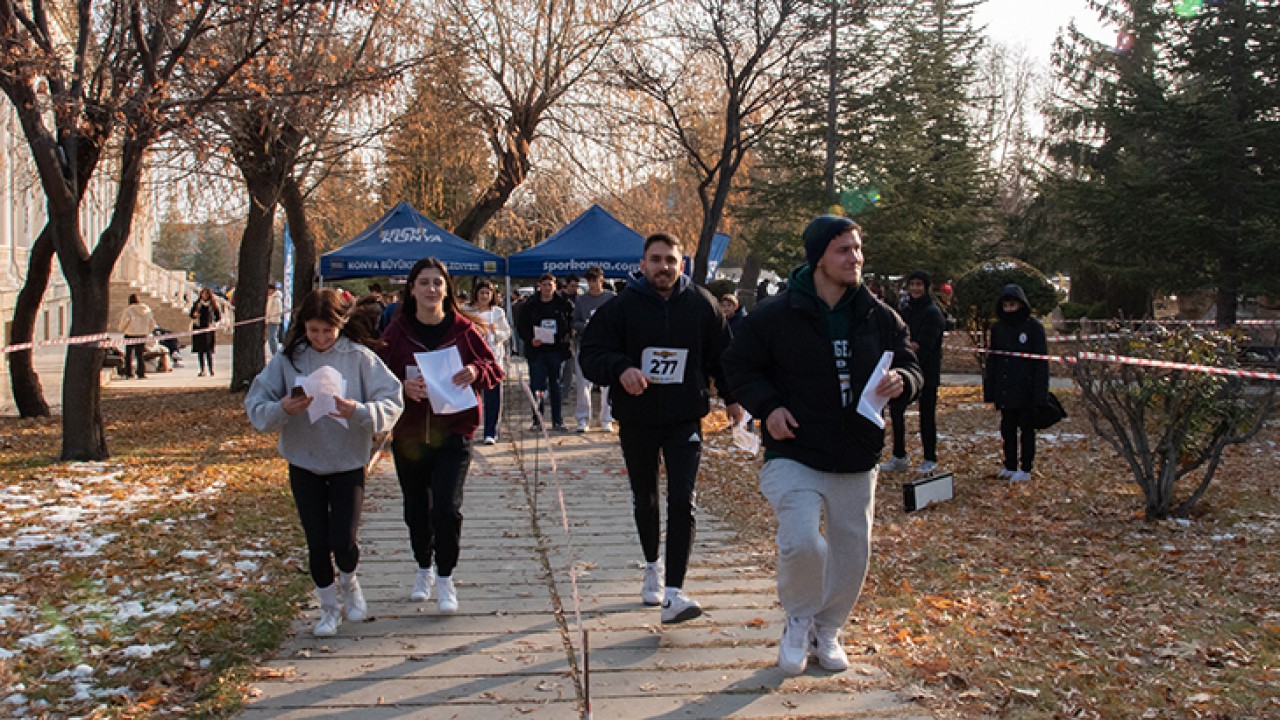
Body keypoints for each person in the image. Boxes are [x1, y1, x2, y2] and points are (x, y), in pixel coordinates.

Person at [721, 215, 921, 674]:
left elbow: (913, 363)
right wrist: (768, 407)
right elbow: (738, 365)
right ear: (818, 259)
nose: (855, 259)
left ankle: (827, 628)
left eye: (857, 249)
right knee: (802, 543)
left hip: (856, 453)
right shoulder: (776, 315)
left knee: (852, 550)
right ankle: (798, 618)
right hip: (795, 451)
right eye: (843, 251)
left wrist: (903, 380)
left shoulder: (878, 314)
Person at [580, 233, 743, 624]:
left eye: (670, 260)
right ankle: (652, 566)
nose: (663, 267)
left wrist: (733, 397)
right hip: (637, 418)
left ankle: (674, 592)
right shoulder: (621, 307)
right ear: (642, 264)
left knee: (682, 500)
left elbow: (725, 353)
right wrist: (622, 369)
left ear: (681, 265)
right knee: (646, 497)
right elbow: (591, 355)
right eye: (656, 260)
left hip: (684, 416)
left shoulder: (701, 304)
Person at [244, 289, 404, 637]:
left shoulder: (359, 357)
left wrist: (361, 411)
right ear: (303, 327)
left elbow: (392, 399)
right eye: (313, 331)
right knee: (316, 541)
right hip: (305, 460)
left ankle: (350, 581)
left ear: (340, 325)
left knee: (343, 539)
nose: (319, 339)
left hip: (348, 459)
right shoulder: (288, 360)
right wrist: (283, 408)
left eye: (326, 332)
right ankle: (328, 608)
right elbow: (256, 404)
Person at [378, 258, 504, 612]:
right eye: (424, 282)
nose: (431, 289)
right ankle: (423, 567)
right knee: (417, 510)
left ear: (447, 288)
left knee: (447, 509)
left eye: (438, 282)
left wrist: (473, 371)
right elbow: (376, 378)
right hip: (411, 436)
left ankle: (446, 577)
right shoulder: (397, 332)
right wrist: (402, 387)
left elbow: (494, 368)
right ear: (412, 289)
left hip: (454, 432)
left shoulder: (464, 329)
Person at [881, 270, 946, 475]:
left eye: (920, 284)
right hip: (902, 369)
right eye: (913, 284)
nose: (916, 288)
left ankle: (930, 458)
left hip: (927, 371)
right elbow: (898, 338)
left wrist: (909, 347)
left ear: (927, 287)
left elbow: (926, 345)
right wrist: (908, 347)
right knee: (896, 412)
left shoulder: (933, 312)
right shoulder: (904, 310)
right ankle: (899, 455)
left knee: (927, 416)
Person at [983, 284, 1049, 483]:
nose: (1009, 309)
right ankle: (1009, 464)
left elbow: (1040, 362)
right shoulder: (998, 329)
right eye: (1006, 305)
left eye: (1013, 305)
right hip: (1005, 387)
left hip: (1026, 389)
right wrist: (991, 389)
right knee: (1007, 428)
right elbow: (993, 360)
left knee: (1027, 430)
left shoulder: (1033, 328)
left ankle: (1026, 467)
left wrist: (1040, 393)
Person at [514, 273, 573, 431]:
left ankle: (557, 420)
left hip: (557, 351)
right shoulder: (529, 304)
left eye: (550, 284)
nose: (547, 288)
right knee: (537, 386)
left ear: (555, 286)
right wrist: (530, 339)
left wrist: (561, 336)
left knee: (556, 386)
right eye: (544, 284)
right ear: (539, 286)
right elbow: (521, 327)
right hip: (536, 351)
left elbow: (569, 325)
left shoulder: (564, 304)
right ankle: (537, 420)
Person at [466, 279, 511, 444]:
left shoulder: (497, 312)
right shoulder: (467, 310)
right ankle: (469, 429)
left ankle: (490, 431)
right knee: (471, 397)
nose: (484, 296)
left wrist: (496, 332)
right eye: (481, 293)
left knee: (493, 397)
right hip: (472, 359)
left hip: (493, 359)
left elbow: (506, 332)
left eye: (487, 293)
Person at [571, 267, 615, 433]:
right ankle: (583, 418)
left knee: (607, 385)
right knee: (583, 384)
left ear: (601, 280)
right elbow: (575, 321)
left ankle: (607, 419)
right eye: (589, 281)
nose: (592, 284)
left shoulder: (611, 298)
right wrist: (586, 326)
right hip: (586, 345)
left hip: (608, 346)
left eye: (595, 280)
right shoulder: (581, 300)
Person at [117, 294, 156, 380]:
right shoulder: (147, 310)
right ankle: (141, 373)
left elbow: (125, 321)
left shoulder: (128, 310)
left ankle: (129, 373)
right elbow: (152, 323)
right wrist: (147, 331)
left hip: (130, 334)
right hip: (142, 334)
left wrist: (121, 329)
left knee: (129, 355)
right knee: (140, 355)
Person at [189, 288, 222, 376]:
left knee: (208, 351)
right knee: (200, 351)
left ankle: (211, 369)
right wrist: (194, 315)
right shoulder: (197, 304)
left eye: (206, 294)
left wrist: (213, 323)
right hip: (199, 328)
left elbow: (218, 316)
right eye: (203, 294)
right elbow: (191, 314)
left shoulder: (212, 304)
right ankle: (202, 370)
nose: (204, 296)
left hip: (208, 330)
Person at [265, 284, 284, 355]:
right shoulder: (272, 298)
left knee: (272, 338)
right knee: (271, 338)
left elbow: (274, 311)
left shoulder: (276, 299)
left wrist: (269, 319)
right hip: (271, 320)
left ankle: (275, 353)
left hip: (273, 321)